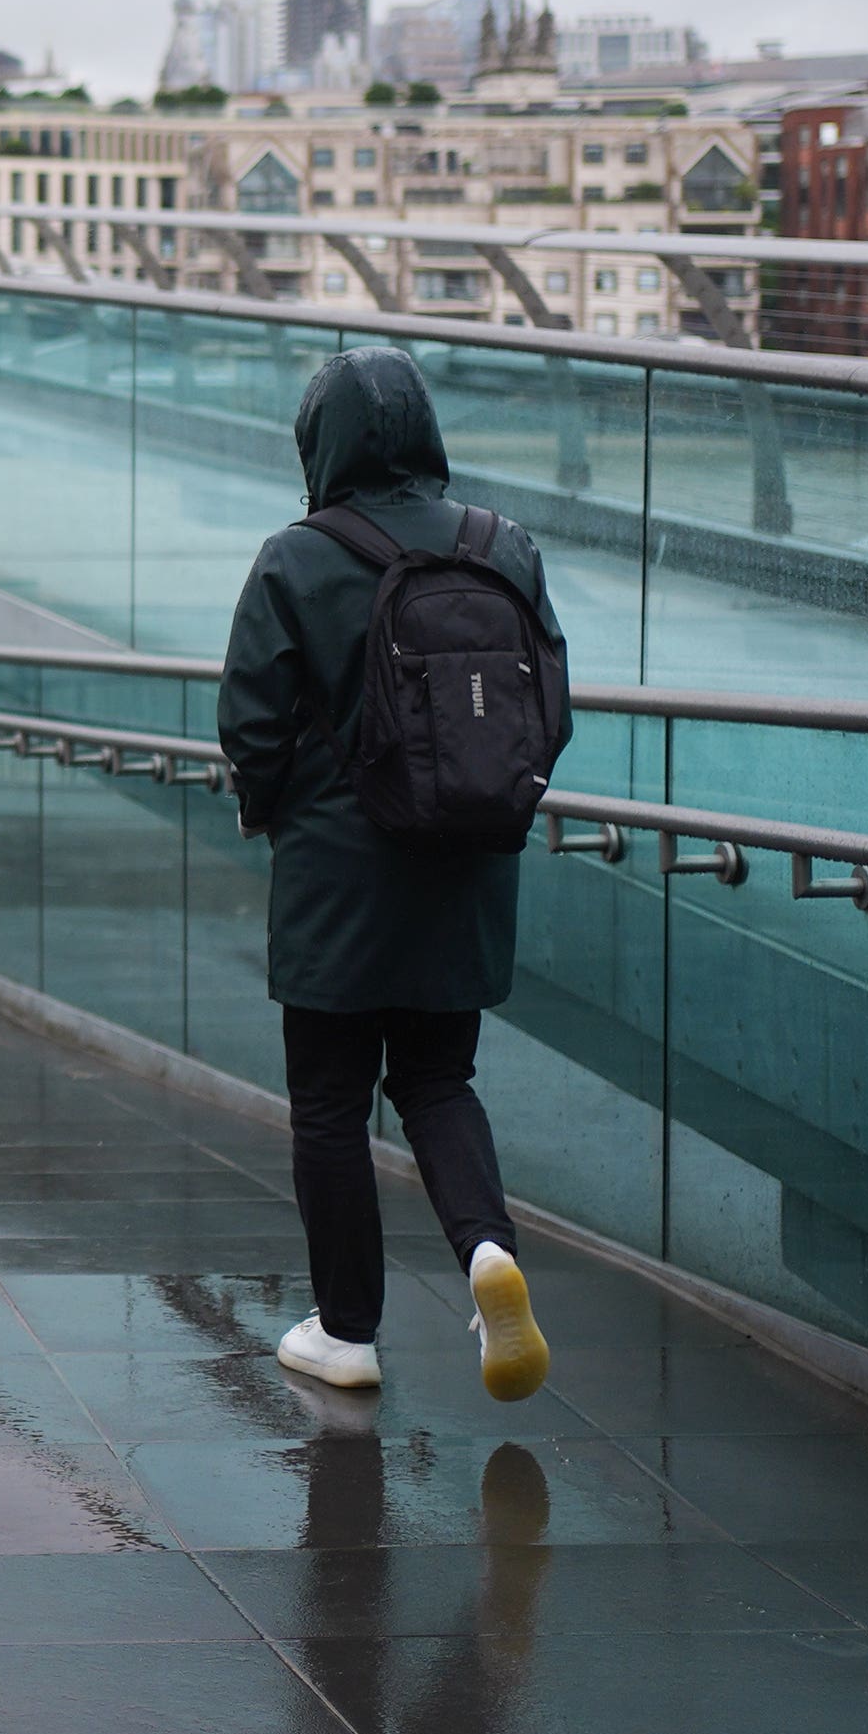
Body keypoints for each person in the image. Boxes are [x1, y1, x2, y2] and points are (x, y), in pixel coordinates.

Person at [216, 345, 563, 1404]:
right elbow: (547, 705)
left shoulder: (296, 558)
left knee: (329, 1102)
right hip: (463, 867)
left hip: (334, 874)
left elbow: (249, 722)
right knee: (437, 1078)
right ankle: (487, 1257)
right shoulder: (504, 546)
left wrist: (271, 810)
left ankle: (348, 1331)